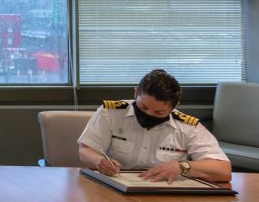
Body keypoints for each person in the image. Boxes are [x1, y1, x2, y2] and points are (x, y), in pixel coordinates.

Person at [78, 68, 231, 183]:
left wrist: (182, 166)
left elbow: (223, 170)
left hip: (165, 195)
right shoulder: (110, 113)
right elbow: (86, 150)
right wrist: (99, 162)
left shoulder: (188, 127)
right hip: (114, 187)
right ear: (135, 92)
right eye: (143, 107)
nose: (149, 114)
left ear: (175, 106)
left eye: (159, 112)